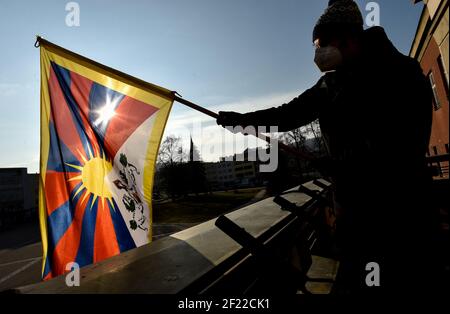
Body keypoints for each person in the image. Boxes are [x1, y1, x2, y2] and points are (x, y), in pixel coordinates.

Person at [216, 0, 439, 293]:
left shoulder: (402, 73)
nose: (317, 53)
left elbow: (404, 144)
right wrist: (242, 122)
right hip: (353, 211)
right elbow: (287, 114)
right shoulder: (331, 84)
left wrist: (345, 165)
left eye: (321, 44)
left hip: (400, 213)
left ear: (348, 39)